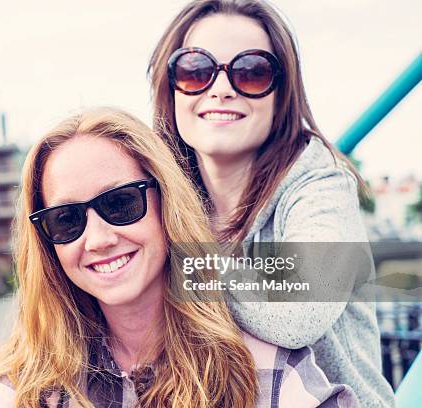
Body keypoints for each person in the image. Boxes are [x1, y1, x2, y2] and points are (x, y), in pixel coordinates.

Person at [0, 107, 358, 407]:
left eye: (120, 203)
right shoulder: (32, 385)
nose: (98, 239)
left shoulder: (262, 369)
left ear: (166, 202)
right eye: (66, 220)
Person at [148, 1, 395, 407]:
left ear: (283, 94)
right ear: (169, 86)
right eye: (195, 71)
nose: (221, 88)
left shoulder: (321, 182)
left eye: (251, 72)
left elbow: (300, 307)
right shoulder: (159, 196)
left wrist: (173, 262)